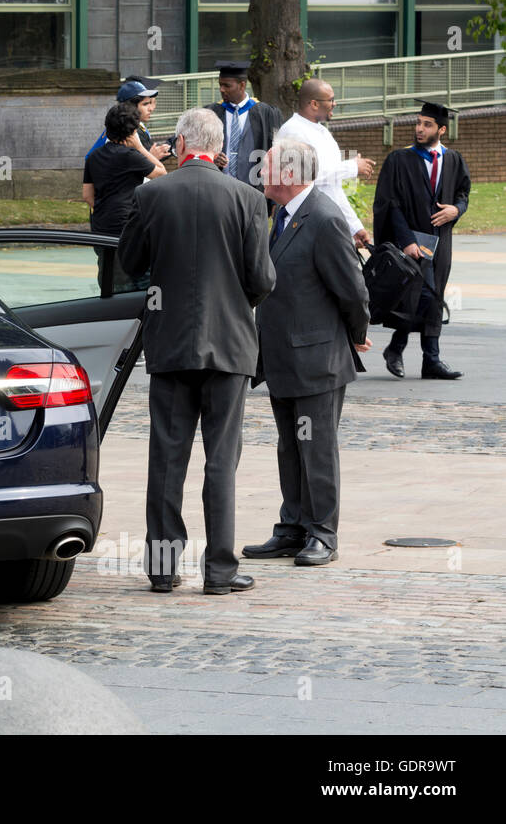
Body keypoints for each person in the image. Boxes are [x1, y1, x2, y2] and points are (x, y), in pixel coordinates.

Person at [117, 107, 276, 595]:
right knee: (221, 461)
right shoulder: (247, 197)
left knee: (167, 459)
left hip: (170, 343)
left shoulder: (151, 194)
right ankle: (221, 571)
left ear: (182, 145)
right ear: (218, 147)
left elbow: (129, 263)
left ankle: (163, 570)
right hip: (228, 345)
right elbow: (263, 279)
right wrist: (234, 303)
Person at [244, 140, 372, 567]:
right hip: (281, 355)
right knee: (289, 446)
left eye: (270, 165)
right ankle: (292, 527)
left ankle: (322, 532)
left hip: (317, 358)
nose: (262, 169)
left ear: (291, 174)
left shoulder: (323, 218)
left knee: (314, 446)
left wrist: (357, 335)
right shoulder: (282, 214)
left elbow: (352, 290)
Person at [373, 101, 472, 380]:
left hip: (441, 241)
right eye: (418, 123)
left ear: (441, 129)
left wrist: (456, 210)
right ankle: (407, 350)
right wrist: (405, 241)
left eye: (427, 124)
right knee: (420, 296)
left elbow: (464, 193)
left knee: (434, 296)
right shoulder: (399, 160)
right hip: (411, 241)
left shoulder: (453, 160)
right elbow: (388, 203)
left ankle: (425, 359)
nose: (419, 128)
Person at [276, 78, 375, 249]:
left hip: (323, 218)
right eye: (330, 99)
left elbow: (332, 188)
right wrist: (352, 167)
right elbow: (307, 175)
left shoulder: (321, 132)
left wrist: (354, 226)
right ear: (314, 103)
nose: (334, 104)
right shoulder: (293, 131)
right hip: (303, 223)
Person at [82, 101, 166, 236]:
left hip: (101, 223)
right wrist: (139, 147)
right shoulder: (131, 156)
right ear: (133, 132)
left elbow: (87, 195)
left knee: (106, 257)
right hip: (127, 223)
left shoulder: (93, 156)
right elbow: (162, 173)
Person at [206, 60, 283, 199]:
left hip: (254, 190)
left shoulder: (266, 113)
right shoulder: (211, 112)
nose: (221, 89)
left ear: (242, 85)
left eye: (226, 85)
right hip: (218, 189)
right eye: (220, 85)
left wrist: (274, 199)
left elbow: (277, 154)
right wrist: (212, 159)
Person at [86, 78, 172, 160]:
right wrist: (151, 158)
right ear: (130, 107)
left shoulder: (132, 126)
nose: (151, 109)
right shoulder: (126, 132)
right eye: (145, 104)